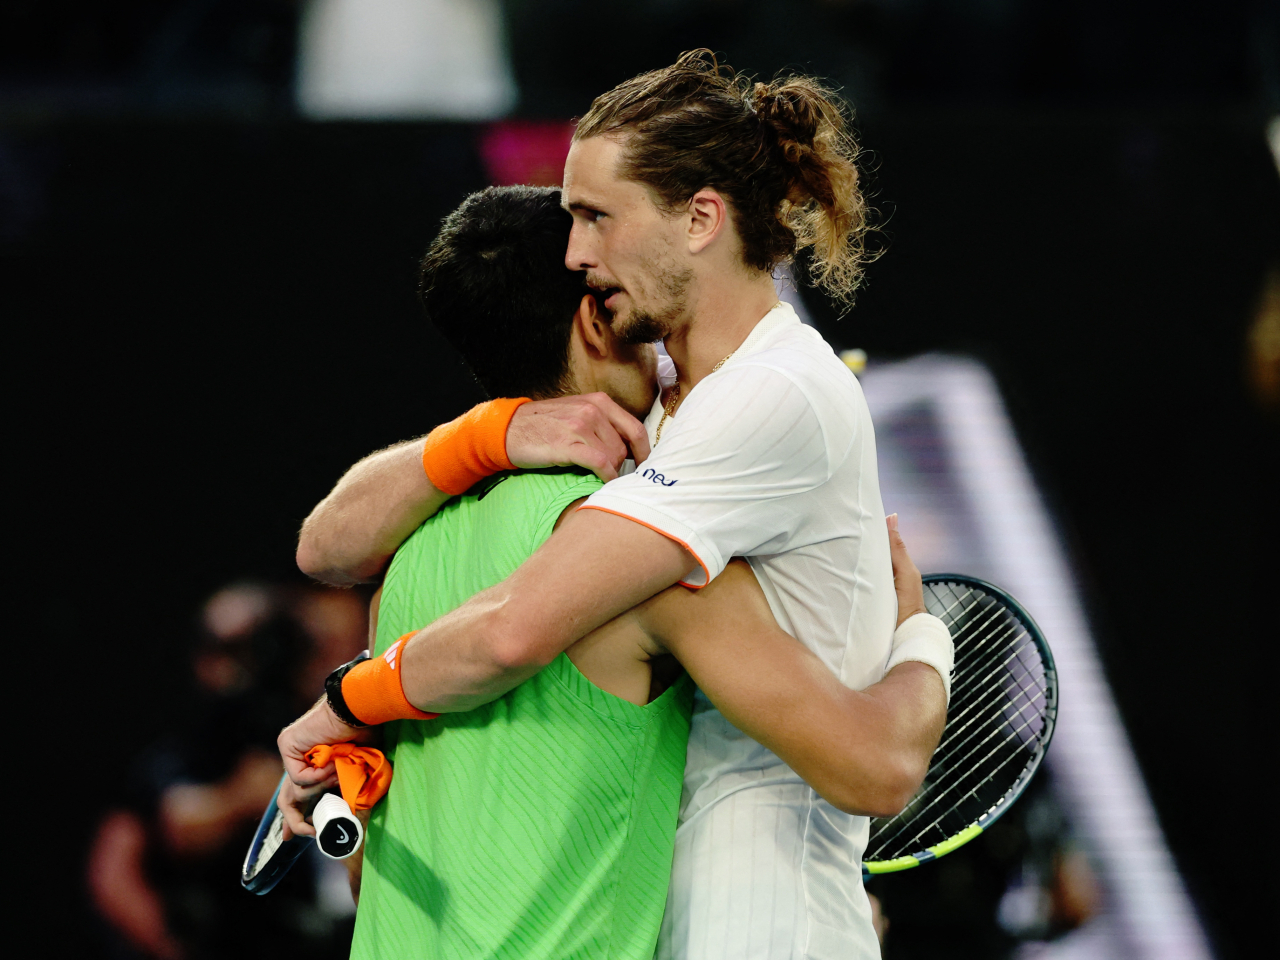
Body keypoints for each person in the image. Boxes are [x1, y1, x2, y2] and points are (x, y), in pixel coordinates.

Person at [282, 52, 953, 959]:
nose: (576, 253)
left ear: (700, 220)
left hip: (759, 928)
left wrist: (926, 640)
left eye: (596, 217)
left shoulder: (772, 396)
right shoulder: (666, 405)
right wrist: (494, 430)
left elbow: (513, 628)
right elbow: (326, 544)